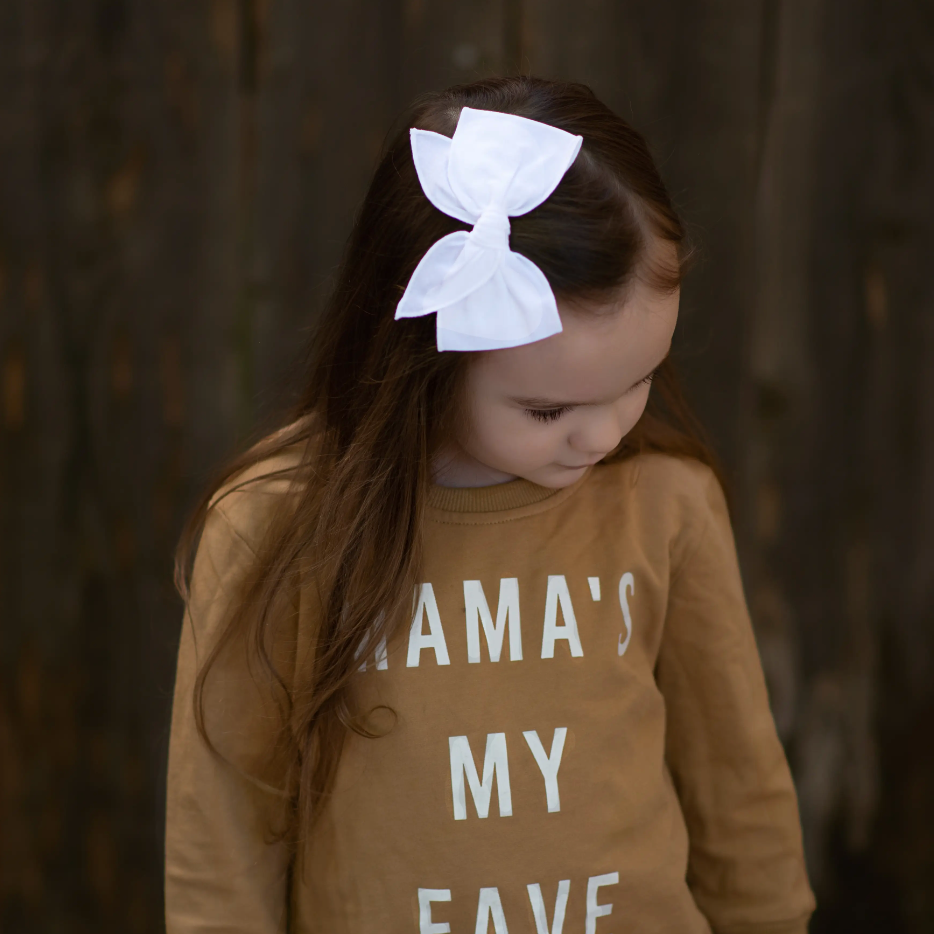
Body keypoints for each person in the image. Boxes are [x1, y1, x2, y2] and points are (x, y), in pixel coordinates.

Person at [165, 76, 815, 934]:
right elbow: (224, 833)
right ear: (424, 358)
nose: (604, 434)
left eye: (639, 380)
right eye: (548, 410)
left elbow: (738, 786)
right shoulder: (275, 527)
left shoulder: (667, 504)